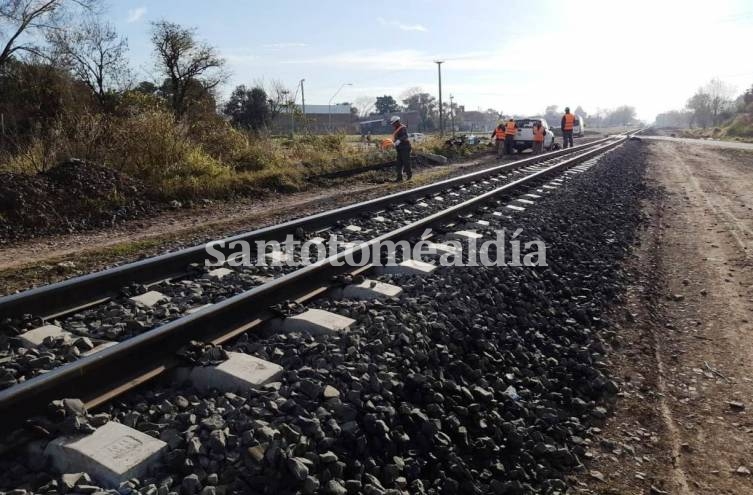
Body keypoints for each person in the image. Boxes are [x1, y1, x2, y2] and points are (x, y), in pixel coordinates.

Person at [390, 115, 412, 181]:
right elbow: (396, 138)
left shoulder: (403, 128)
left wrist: (399, 140)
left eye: (394, 123)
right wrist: (393, 142)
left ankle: (409, 175)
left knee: (406, 162)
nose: (393, 125)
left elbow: (405, 136)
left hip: (405, 147)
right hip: (399, 148)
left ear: (397, 122)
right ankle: (399, 178)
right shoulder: (396, 129)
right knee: (399, 163)